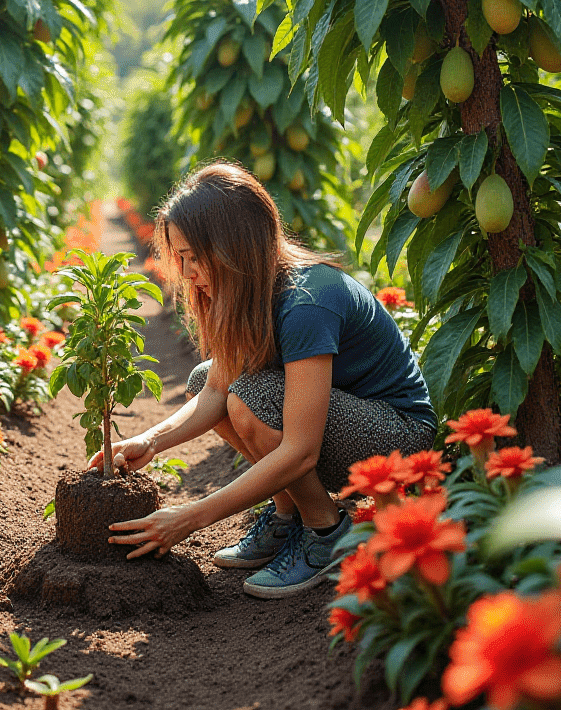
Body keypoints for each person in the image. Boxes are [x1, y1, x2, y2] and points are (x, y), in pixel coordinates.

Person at [90, 163, 436, 598]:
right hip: (342, 419)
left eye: (195, 256)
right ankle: (288, 516)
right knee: (204, 381)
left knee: (251, 397)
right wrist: (150, 441)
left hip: (395, 431)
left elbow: (300, 451)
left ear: (236, 248)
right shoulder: (243, 292)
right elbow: (214, 389)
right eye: (181, 257)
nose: (188, 271)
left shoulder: (308, 301)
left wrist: (189, 517)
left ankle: (327, 533)